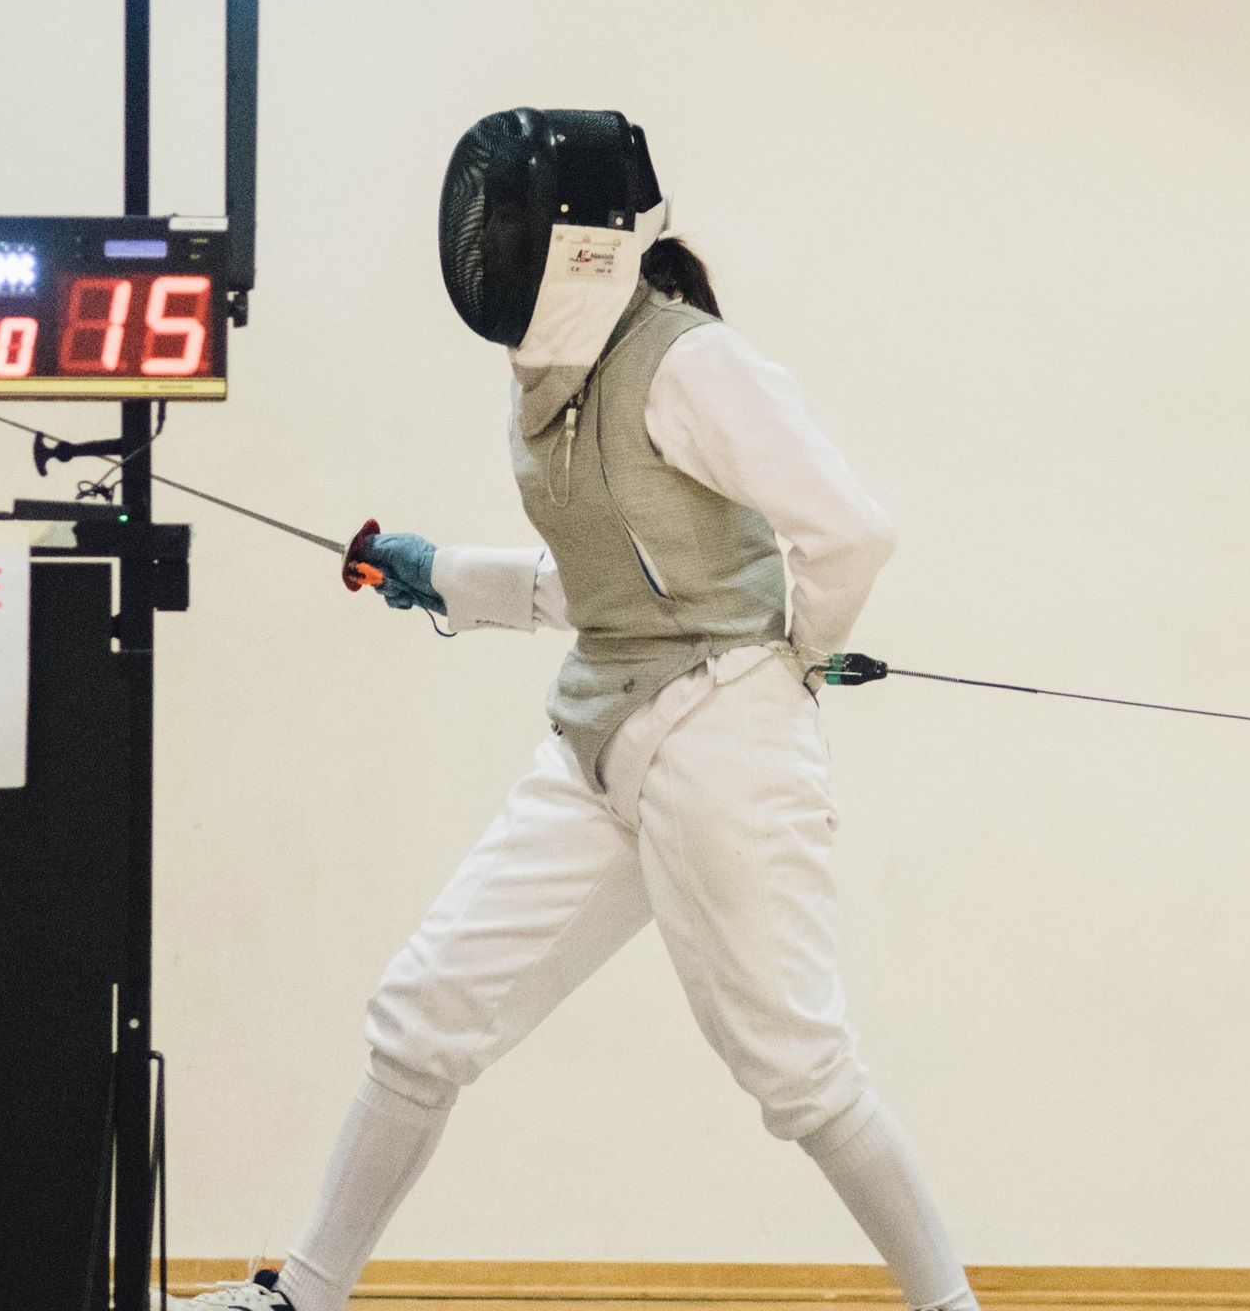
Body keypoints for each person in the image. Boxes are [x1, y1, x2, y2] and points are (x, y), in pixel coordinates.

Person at [183, 109, 971, 1311]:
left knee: (799, 1072)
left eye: (506, 223)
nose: (486, 244)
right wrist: (438, 567)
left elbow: (853, 532)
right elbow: (601, 585)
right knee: (426, 1014)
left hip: (725, 746)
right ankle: (305, 1295)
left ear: (581, 239)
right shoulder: (552, 384)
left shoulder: (689, 361)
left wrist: (798, 656)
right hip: (604, 738)